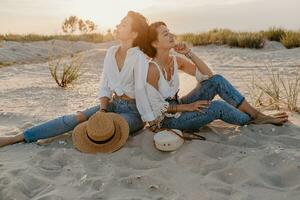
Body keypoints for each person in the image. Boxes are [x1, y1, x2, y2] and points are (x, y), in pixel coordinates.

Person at [0, 11, 150, 148]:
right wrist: (103, 110)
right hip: (113, 104)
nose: (118, 26)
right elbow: (104, 85)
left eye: (123, 24)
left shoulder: (139, 58)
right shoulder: (111, 52)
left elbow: (141, 91)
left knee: (106, 127)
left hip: (133, 113)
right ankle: (18, 137)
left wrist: (151, 119)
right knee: (77, 118)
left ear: (134, 34)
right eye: (120, 22)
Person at [139, 21, 288, 132]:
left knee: (217, 80)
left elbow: (208, 76)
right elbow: (156, 108)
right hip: (167, 120)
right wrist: (188, 107)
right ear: (155, 43)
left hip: (180, 106)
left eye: (170, 31)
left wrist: (189, 53)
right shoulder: (152, 69)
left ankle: (255, 114)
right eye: (166, 34)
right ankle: (249, 119)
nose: (172, 35)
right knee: (217, 107)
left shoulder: (176, 60)